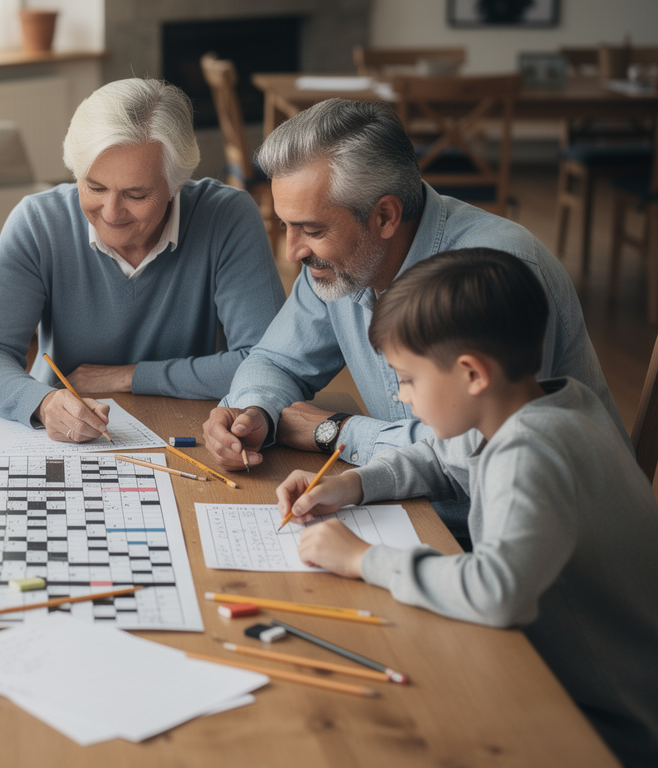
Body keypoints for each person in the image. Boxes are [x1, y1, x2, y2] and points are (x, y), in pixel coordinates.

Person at [277, 248, 658, 767]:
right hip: (572, 671)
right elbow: (439, 456)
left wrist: (361, 560)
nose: (403, 396)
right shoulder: (549, 403)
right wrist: (353, 486)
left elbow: (496, 592)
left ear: (471, 375)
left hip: (608, 723)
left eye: (408, 379)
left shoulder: (530, 453)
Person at [201, 98, 618, 531]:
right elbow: (275, 360)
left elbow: (473, 454)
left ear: (384, 216)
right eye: (286, 225)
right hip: (410, 509)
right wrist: (255, 412)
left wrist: (335, 432)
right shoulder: (338, 263)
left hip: (532, 543)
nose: (292, 252)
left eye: (312, 230)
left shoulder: (493, 276)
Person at [0, 79, 284, 442]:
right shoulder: (38, 222)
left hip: (191, 429)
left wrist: (129, 376)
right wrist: (43, 402)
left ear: (176, 184)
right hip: (64, 435)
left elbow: (267, 363)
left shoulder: (228, 217)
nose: (112, 212)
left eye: (136, 194)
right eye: (95, 187)